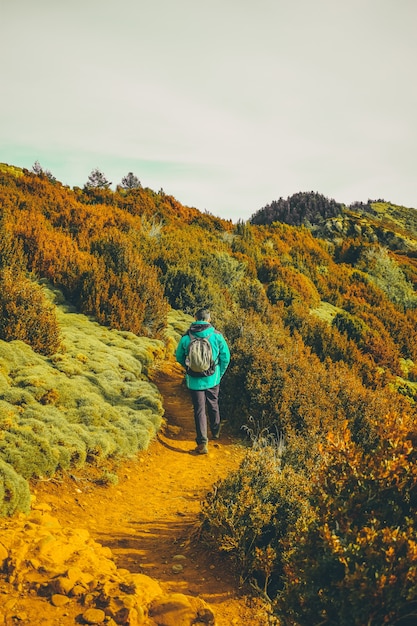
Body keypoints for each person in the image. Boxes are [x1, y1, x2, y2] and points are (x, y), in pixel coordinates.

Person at [175, 308, 230, 455]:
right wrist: (219, 374)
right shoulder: (217, 336)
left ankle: (202, 443)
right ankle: (216, 430)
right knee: (213, 403)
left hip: (194, 380)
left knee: (199, 410)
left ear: (195, 318)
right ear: (209, 319)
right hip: (213, 378)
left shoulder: (186, 337)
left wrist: (189, 368)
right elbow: (226, 357)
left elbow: (179, 356)